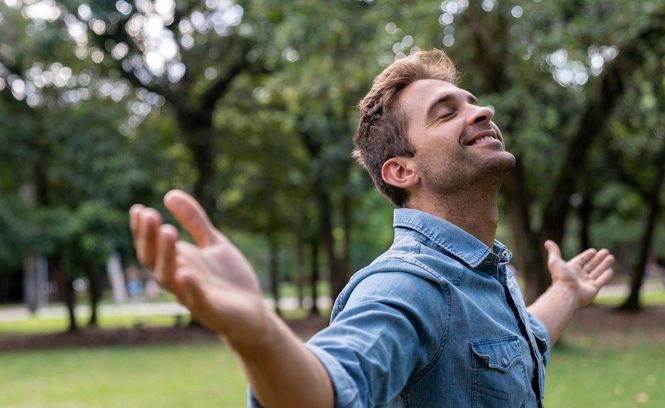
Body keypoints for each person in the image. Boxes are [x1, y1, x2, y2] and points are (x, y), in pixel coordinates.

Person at [129, 49, 614, 407]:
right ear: (402, 170)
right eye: (447, 113)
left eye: (473, 102)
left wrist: (567, 292)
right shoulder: (407, 286)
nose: (481, 111)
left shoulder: (483, 268)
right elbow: (332, 387)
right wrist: (259, 337)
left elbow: (510, 343)